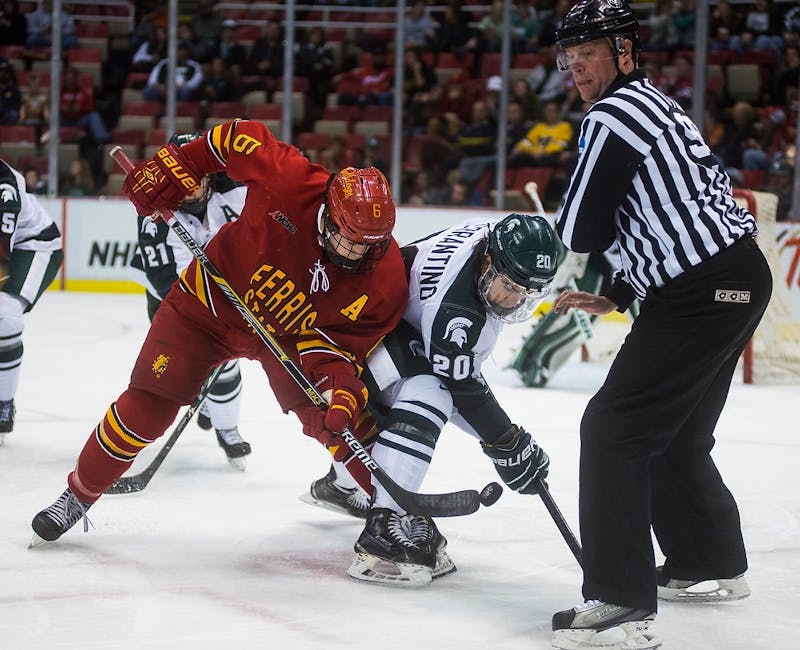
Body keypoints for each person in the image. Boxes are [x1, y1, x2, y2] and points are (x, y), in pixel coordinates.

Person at [30, 118, 409, 544]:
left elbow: (342, 344)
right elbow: (236, 136)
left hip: (288, 339)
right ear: (329, 213)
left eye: (372, 243)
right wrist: (180, 164)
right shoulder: (290, 178)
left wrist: (339, 384)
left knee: (342, 422)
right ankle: (77, 495)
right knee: (149, 406)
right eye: (350, 239)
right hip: (208, 305)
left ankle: (397, 517)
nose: (360, 252)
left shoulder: (388, 279)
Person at [548, 2, 773, 649]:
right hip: (732, 280)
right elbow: (662, 213)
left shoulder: (614, 116)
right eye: (570, 57)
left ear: (624, 51)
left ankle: (619, 599)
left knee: (614, 428)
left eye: (588, 53)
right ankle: (710, 561)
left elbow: (583, 228)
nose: (577, 68)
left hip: (701, 293)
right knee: (673, 435)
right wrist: (618, 292)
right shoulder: (654, 104)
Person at [305, 214, 557, 586]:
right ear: (489, 262)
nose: (511, 300)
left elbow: (460, 375)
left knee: (425, 385)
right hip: (352, 341)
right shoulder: (456, 312)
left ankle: (347, 483)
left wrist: (505, 440)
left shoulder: (487, 234)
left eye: (524, 293)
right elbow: (462, 391)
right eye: (507, 286)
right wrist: (508, 443)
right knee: (430, 393)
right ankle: (381, 530)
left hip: (372, 321)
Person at [130, 132, 252, 469]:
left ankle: (227, 428)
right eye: (182, 180)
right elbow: (163, 279)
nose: (191, 188)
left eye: (198, 178)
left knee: (227, 361)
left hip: (231, 288)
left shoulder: (238, 190)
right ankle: (204, 397)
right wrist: (211, 313)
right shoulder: (154, 212)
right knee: (186, 364)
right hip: (172, 300)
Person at [0, 158, 64, 443]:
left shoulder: (5, 187)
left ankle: (3, 403)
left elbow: (0, 256)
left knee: (5, 315)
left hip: (33, 245)